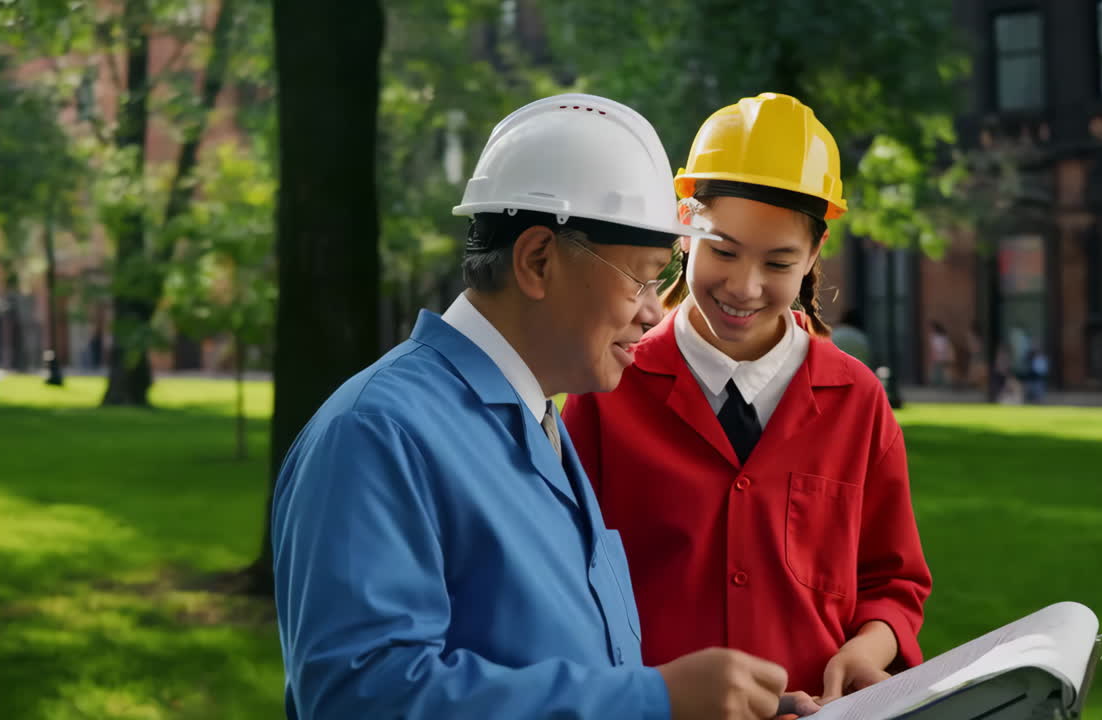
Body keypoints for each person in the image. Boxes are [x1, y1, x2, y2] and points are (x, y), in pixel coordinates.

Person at [271, 94, 793, 720]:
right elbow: (363, 699)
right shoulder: (377, 433)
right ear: (537, 261)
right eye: (642, 277)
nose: (656, 311)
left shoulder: (536, 419)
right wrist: (655, 701)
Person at [563, 93, 932, 716]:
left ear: (814, 255)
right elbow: (564, 579)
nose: (744, 287)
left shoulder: (858, 401)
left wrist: (870, 646)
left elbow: (892, 582)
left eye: (779, 262)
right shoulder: (607, 390)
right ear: (684, 229)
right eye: (724, 251)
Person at [927, 321, 952, 388]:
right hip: (942, 355)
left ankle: (940, 383)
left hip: (940, 356)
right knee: (939, 370)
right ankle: (940, 383)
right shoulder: (943, 337)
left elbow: (935, 348)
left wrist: (934, 355)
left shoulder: (935, 337)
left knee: (939, 370)